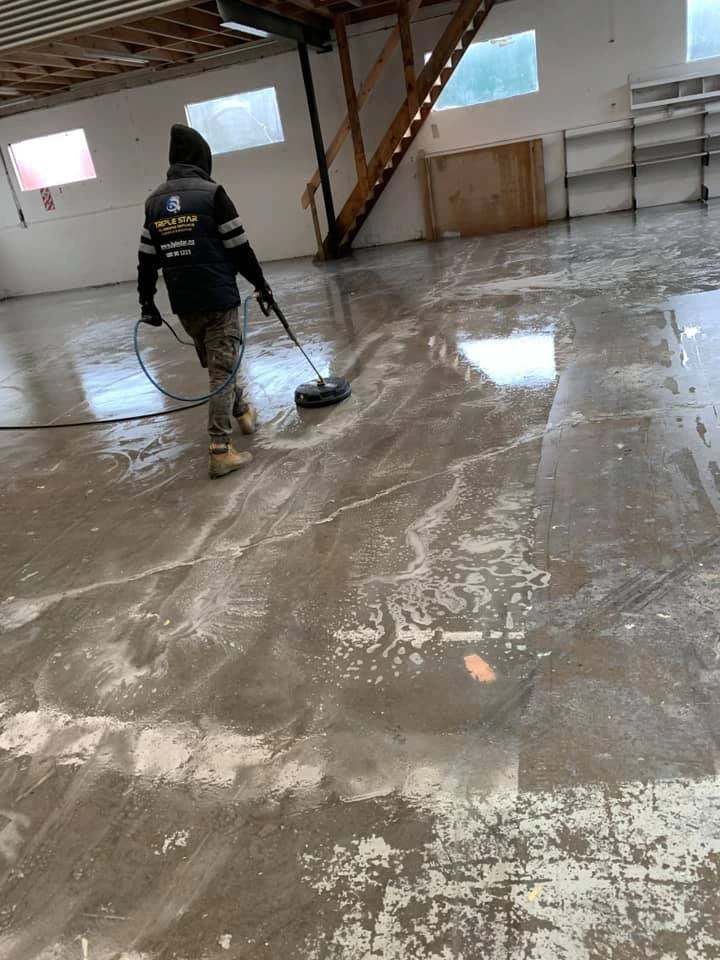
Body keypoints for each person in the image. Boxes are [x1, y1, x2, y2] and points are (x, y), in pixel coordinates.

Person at [137, 123, 272, 479]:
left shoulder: (154, 202)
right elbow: (240, 248)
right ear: (202, 157)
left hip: (185, 305)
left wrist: (146, 302)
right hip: (218, 299)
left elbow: (147, 259)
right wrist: (262, 285)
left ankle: (242, 412)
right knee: (221, 372)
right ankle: (219, 450)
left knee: (218, 365)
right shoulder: (212, 194)